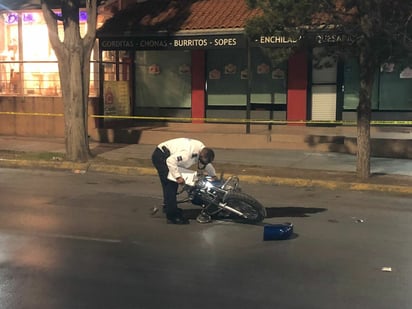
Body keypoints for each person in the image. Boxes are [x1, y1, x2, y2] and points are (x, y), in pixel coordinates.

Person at [151, 138, 216, 225]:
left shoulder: (202, 149)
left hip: (169, 155)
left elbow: (207, 164)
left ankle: (169, 207)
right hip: (162, 157)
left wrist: (213, 175)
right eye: (201, 161)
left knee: (172, 184)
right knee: (170, 185)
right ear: (200, 155)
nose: (201, 163)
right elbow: (170, 161)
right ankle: (172, 216)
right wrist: (178, 177)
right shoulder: (186, 155)